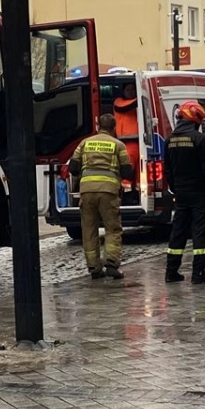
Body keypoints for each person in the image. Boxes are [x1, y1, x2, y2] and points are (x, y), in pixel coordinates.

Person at [68, 113, 134, 279]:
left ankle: (94, 268)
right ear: (113, 128)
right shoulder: (118, 145)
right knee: (112, 228)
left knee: (89, 230)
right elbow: (127, 171)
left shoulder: (84, 143)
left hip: (87, 191)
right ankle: (111, 264)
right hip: (108, 192)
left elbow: (73, 168)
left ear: (98, 127)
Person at [164, 100, 205, 284]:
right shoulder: (199, 139)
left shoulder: (169, 140)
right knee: (200, 233)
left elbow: (168, 170)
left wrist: (176, 189)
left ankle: (171, 272)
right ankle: (198, 273)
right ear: (194, 119)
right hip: (200, 194)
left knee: (178, 232)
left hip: (181, 194)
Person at [113, 83, 140, 191]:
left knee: (139, 170)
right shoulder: (118, 102)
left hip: (139, 142)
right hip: (125, 142)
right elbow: (124, 108)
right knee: (127, 168)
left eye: (133, 89)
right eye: (128, 89)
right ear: (122, 91)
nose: (130, 91)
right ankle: (127, 193)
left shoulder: (137, 104)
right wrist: (142, 98)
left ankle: (136, 191)